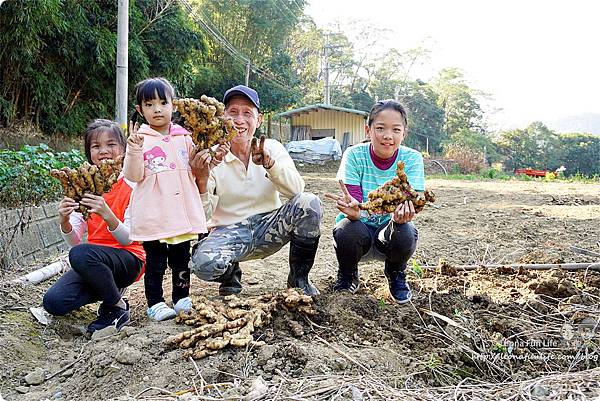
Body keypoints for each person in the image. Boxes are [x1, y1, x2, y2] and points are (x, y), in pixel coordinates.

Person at [189, 85, 322, 296]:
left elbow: (296, 191)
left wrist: (270, 165)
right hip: (228, 232)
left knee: (309, 202)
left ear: (258, 120)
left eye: (247, 113)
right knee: (204, 264)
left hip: (269, 228)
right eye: (232, 112)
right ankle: (230, 273)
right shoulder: (211, 157)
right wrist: (202, 178)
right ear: (222, 118)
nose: (239, 120)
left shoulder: (273, 147)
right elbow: (201, 217)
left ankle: (299, 279)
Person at [43, 119, 146, 334]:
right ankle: (112, 292)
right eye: (96, 146)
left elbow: (129, 239)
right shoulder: (84, 186)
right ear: (89, 152)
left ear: (123, 149)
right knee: (53, 302)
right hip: (94, 261)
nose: (104, 151)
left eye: (111, 144)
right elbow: (74, 242)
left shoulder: (132, 183)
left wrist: (107, 214)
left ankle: (116, 308)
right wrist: (64, 219)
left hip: (130, 258)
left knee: (82, 254)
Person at [123, 77, 208, 321]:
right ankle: (155, 303)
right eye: (149, 105)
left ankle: (181, 298)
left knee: (182, 259)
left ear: (174, 106)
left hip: (180, 213)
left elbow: (197, 168)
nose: (157, 109)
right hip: (154, 213)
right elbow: (133, 175)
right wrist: (135, 149)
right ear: (140, 110)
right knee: (156, 262)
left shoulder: (186, 137)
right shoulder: (139, 140)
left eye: (163, 102)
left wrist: (211, 156)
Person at [326, 99, 424, 304]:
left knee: (406, 231)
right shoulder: (354, 155)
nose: (388, 136)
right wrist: (353, 211)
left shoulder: (412, 159)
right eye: (380, 128)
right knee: (345, 228)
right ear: (367, 130)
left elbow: (414, 199)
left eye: (396, 130)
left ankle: (396, 272)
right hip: (358, 231)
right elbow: (355, 201)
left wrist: (401, 217)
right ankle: (348, 274)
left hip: (389, 233)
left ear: (404, 133)